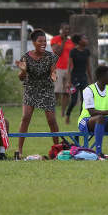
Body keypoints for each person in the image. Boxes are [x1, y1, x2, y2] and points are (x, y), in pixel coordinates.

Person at [15, 29, 60, 158]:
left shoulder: (51, 56)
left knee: (51, 120)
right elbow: (21, 78)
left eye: (45, 41)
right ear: (33, 42)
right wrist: (23, 71)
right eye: (40, 41)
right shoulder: (26, 57)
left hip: (46, 89)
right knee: (26, 117)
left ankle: (57, 149)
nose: (43, 43)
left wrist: (54, 76)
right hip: (31, 88)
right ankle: (19, 150)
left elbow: (53, 73)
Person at [77, 66, 108, 159]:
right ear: (101, 77)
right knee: (100, 118)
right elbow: (91, 112)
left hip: (103, 120)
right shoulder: (89, 90)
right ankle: (98, 153)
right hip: (86, 121)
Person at [65, 33, 93, 124]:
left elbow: (88, 66)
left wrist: (91, 80)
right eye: (85, 38)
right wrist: (68, 81)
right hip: (74, 79)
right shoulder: (73, 52)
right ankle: (68, 114)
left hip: (83, 79)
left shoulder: (87, 51)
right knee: (73, 100)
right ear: (80, 41)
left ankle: (81, 119)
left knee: (84, 100)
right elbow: (69, 67)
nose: (87, 40)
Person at [50, 23, 74, 117]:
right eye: (65, 29)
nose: (67, 31)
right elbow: (58, 52)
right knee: (57, 91)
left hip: (68, 69)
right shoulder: (55, 39)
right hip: (58, 68)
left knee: (66, 92)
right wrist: (63, 41)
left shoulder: (71, 42)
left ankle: (63, 113)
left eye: (68, 29)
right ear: (61, 30)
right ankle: (53, 111)